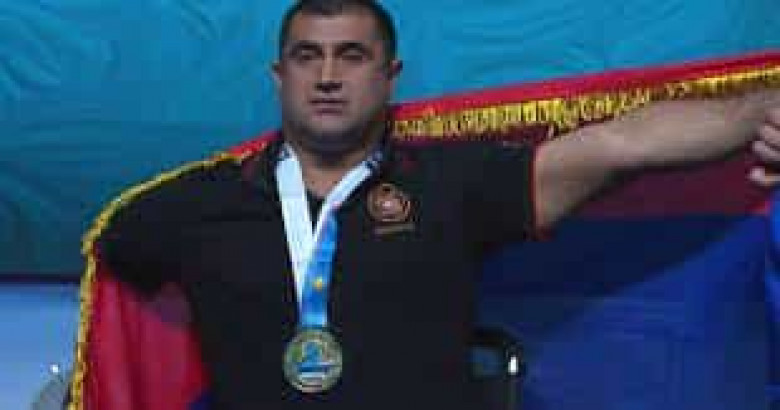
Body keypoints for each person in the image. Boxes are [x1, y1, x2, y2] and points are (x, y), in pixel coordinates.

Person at [94, 0, 780, 409]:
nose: (328, 76)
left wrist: (763, 112)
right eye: (307, 56)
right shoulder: (188, 208)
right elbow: (114, 294)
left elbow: (619, 144)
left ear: (389, 76)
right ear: (279, 76)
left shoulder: (452, 184)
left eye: (352, 55)